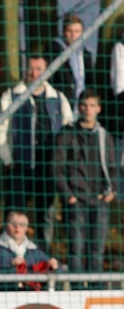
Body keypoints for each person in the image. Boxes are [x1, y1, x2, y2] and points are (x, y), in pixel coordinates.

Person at [0, 55, 74, 251]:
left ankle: (42, 256)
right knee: (15, 214)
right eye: (31, 68)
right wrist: (7, 160)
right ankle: (11, 256)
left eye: (39, 69)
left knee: (46, 214)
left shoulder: (58, 98)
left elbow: (69, 130)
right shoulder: (11, 96)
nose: (34, 73)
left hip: (48, 168)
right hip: (20, 166)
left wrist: (63, 163)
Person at [54, 90, 117, 290]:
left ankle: (96, 290)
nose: (87, 109)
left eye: (92, 105)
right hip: (76, 200)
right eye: (84, 105)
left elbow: (113, 167)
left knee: (97, 250)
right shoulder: (66, 134)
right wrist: (69, 196)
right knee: (76, 248)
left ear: (98, 108)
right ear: (78, 107)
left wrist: (112, 190)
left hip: (99, 200)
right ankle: (77, 290)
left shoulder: (104, 136)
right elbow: (56, 168)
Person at [0, 211, 59, 293]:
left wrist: (54, 266)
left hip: (29, 297)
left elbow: (54, 269)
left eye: (21, 224)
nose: (17, 227)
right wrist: (10, 263)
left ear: (26, 228)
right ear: (6, 225)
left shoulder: (34, 250)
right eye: (13, 223)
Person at [48, 14, 94, 103]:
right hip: (61, 102)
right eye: (69, 31)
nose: (73, 35)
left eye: (77, 31)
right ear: (63, 32)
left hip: (82, 103)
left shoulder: (86, 55)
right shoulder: (54, 53)